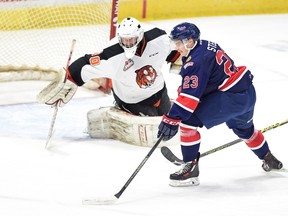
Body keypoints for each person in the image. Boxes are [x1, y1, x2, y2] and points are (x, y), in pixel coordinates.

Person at [157, 22, 283, 187]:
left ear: (189, 41)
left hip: (231, 99)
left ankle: (190, 170)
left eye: (179, 43)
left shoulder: (195, 62)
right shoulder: (208, 45)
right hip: (247, 94)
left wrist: (171, 119)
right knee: (245, 130)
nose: (177, 47)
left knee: (188, 122)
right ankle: (268, 158)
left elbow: (189, 99)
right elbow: (213, 77)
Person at [38, 17, 180, 116]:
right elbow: (84, 64)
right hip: (131, 100)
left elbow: (175, 52)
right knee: (154, 127)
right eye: (124, 40)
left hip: (159, 91)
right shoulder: (112, 54)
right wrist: (69, 80)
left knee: (167, 118)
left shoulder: (158, 39)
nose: (128, 43)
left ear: (140, 36)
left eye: (131, 40)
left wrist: (186, 69)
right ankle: (121, 107)